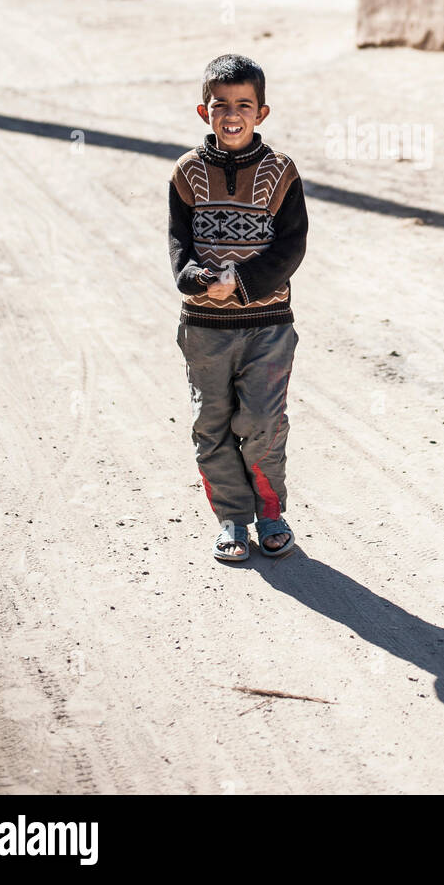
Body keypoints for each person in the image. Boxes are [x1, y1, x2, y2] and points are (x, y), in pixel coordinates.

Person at [168, 53, 308, 562]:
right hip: (205, 327)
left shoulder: (280, 173)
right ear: (204, 112)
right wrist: (197, 278)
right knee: (212, 423)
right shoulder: (187, 173)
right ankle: (231, 518)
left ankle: (270, 514)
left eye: (244, 105)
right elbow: (178, 248)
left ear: (262, 113)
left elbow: (291, 247)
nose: (232, 114)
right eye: (221, 104)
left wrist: (242, 282)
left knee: (263, 423)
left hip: (268, 325)